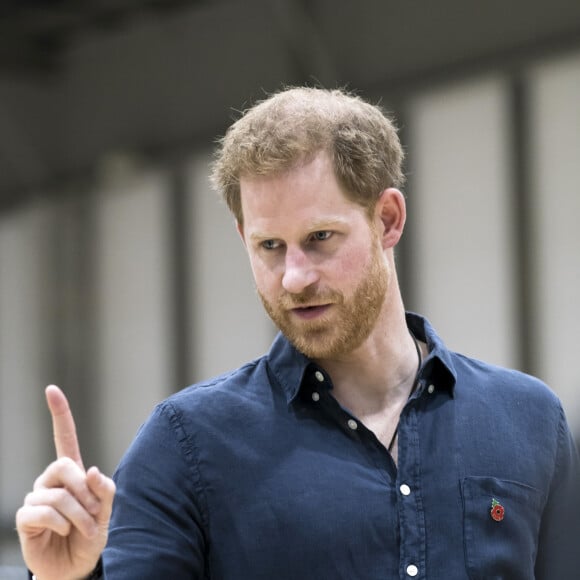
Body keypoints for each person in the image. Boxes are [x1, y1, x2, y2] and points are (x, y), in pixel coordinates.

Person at [16, 87, 580, 579]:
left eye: (320, 238)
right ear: (243, 237)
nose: (294, 277)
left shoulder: (528, 420)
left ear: (388, 219)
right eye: (269, 246)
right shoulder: (184, 446)